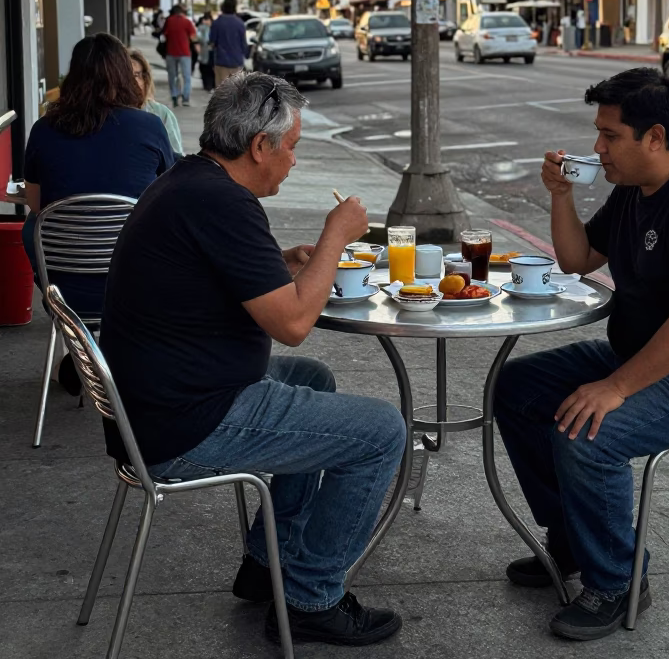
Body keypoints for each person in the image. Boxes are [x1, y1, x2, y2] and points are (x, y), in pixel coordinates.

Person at [99, 73, 406, 647]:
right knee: (382, 432)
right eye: (291, 147)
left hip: (158, 400)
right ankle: (314, 597)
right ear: (259, 146)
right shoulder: (222, 203)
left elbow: (228, 280)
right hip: (184, 421)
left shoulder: (190, 183)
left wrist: (283, 261)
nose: (292, 161)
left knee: (315, 380)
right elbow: (293, 325)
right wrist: (336, 237)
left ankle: (268, 562)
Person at [494, 67, 669, 641]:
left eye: (610, 135)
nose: (598, 147)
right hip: (645, 361)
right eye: (598, 134)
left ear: (654, 137)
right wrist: (561, 196)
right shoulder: (632, 193)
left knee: (588, 431)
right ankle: (573, 540)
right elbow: (576, 259)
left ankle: (618, 582)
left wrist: (616, 388)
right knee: (516, 388)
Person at [22, 34, 174, 393]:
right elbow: (170, 197)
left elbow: (33, 201)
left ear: (72, 76)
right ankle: (119, 358)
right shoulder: (148, 126)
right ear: (124, 75)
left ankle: (81, 351)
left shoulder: (44, 129)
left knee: (32, 226)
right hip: (136, 289)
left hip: (67, 291)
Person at [129, 49, 183, 154]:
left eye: (136, 75)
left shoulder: (161, 113)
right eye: (126, 76)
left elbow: (176, 158)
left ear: (145, 79)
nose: (132, 82)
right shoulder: (108, 116)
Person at [161, 4, 199, 108]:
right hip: (185, 53)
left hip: (171, 53)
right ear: (182, 12)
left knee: (172, 76)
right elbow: (193, 37)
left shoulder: (169, 21)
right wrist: (197, 49)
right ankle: (185, 98)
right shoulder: (187, 22)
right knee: (186, 76)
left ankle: (174, 95)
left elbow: (164, 35)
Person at [209, 0, 249, 85]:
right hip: (237, 61)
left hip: (221, 61)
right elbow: (243, 44)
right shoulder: (240, 23)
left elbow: (212, 43)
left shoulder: (217, 23)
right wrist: (246, 55)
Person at [197, 11, 216, 92]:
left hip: (213, 51)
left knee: (212, 69)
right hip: (204, 51)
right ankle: (207, 85)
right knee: (205, 68)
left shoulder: (215, 27)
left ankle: (212, 85)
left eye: (207, 20)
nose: (205, 22)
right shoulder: (201, 28)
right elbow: (199, 38)